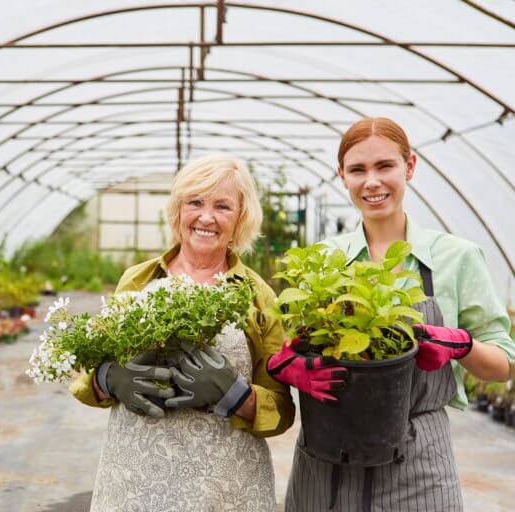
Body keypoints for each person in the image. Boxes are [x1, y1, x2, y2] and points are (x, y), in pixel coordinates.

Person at [268, 117, 515, 511]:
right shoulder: (322, 263)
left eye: (385, 166)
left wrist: (462, 346)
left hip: (418, 463)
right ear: (342, 176)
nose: (372, 182)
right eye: (358, 170)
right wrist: (288, 365)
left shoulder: (456, 257)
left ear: (410, 167)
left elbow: (503, 365)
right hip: (329, 460)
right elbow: (292, 345)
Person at [69, 154, 295, 511]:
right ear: (178, 210)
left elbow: (281, 409)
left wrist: (235, 395)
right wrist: (110, 378)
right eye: (195, 202)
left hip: (225, 487)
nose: (206, 217)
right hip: (135, 481)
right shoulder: (139, 280)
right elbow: (86, 376)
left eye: (223, 206)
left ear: (241, 218)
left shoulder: (257, 295)